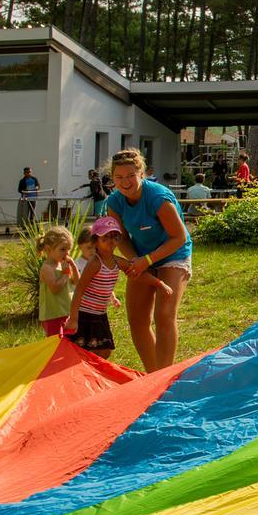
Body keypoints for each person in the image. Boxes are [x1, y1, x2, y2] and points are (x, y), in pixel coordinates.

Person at [104, 148, 193, 372]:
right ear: (113, 178)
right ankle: (153, 377)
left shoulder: (157, 198)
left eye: (130, 176)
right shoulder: (114, 203)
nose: (125, 182)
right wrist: (136, 261)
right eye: (119, 178)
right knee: (137, 319)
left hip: (174, 253)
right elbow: (121, 238)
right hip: (142, 256)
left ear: (141, 174)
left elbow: (179, 236)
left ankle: (165, 377)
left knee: (163, 314)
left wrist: (148, 259)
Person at [66, 216, 171, 360]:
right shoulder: (95, 263)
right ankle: (80, 374)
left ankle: (89, 372)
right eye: (105, 237)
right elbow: (79, 290)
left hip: (100, 314)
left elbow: (136, 273)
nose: (110, 241)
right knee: (82, 350)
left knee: (104, 351)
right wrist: (73, 318)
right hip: (85, 314)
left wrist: (158, 283)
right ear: (96, 241)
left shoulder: (117, 261)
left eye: (114, 237)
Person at [36, 225, 78, 337]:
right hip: (53, 315)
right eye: (62, 249)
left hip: (68, 312)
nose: (67, 253)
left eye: (68, 249)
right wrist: (65, 273)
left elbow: (77, 282)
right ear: (49, 249)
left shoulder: (63, 265)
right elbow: (54, 288)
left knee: (70, 343)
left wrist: (73, 267)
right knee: (55, 343)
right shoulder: (47, 268)